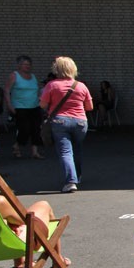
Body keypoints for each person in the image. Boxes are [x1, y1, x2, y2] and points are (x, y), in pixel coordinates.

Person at [0, 149, 70, 268]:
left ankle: (20, 264)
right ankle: (58, 260)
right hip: (10, 247)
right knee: (43, 206)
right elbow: (24, 220)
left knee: (7, 221)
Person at [39, 57, 93, 193]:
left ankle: (70, 182)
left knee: (65, 151)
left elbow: (43, 105)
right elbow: (90, 107)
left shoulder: (52, 85)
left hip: (60, 121)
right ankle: (77, 176)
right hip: (80, 122)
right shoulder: (81, 85)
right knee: (77, 149)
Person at [3, 55, 44, 159]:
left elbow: (36, 91)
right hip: (20, 107)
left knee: (36, 129)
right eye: (25, 64)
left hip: (34, 106)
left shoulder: (33, 76)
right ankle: (17, 145)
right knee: (24, 128)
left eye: (29, 64)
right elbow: (7, 90)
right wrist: (9, 105)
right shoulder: (14, 75)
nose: (27, 66)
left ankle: (35, 152)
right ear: (19, 65)